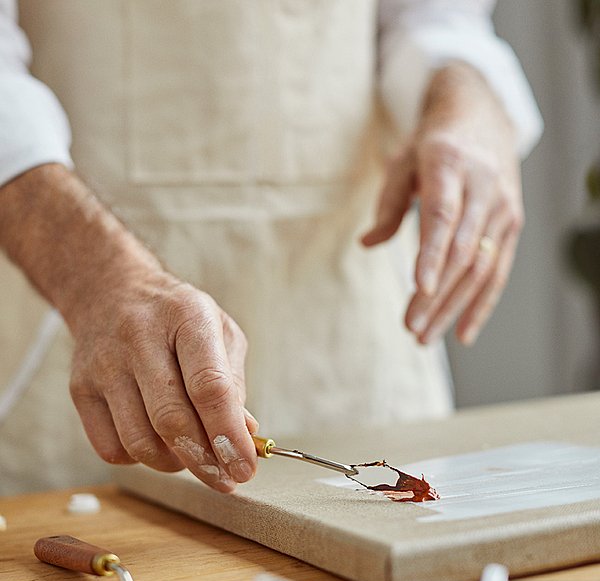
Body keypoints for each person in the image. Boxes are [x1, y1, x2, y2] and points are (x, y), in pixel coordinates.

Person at [0, 0, 542, 495]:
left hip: (351, 338)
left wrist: (465, 100)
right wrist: (100, 279)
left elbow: (436, 19)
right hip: (68, 335)